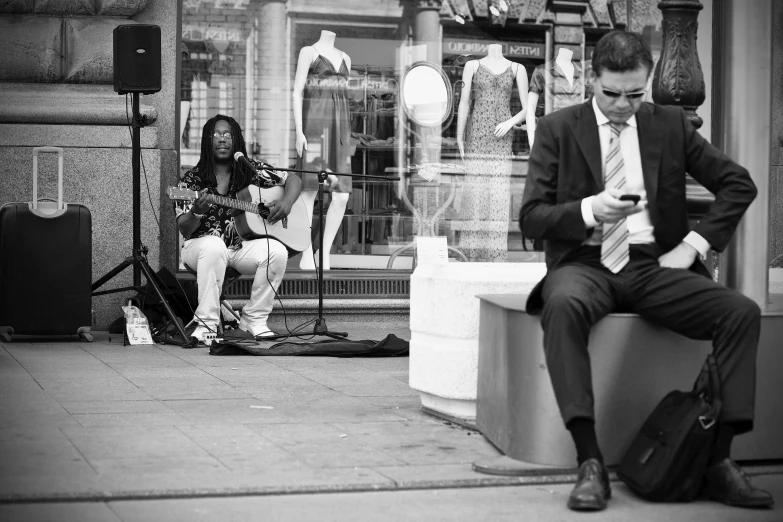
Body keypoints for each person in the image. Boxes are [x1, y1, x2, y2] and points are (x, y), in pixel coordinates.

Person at [519, 31, 774, 512]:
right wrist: (591, 209)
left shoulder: (669, 125)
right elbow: (531, 217)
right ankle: (589, 460)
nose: (622, 105)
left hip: (653, 265)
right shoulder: (557, 129)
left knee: (740, 311)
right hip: (585, 263)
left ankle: (718, 460)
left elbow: (738, 184)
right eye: (611, 93)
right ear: (591, 81)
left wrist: (694, 246)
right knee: (564, 303)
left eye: (635, 94)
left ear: (647, 84)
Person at [174, 114, 302, 343]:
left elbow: (293, 179)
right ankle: (207, 324)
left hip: (239, 247)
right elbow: (184, 228)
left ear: (236, 141)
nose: (222, 139)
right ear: (206, 140)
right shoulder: (191, 181)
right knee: (214, 245)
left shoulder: (250, 172)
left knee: (277, 251)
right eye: (216, 134)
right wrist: (196, 212)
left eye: (228, 134)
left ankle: (253, 320)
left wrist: (286, 203)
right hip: (201, 249)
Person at [455, 43, 527, 262]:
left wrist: (511, 121)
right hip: (477, 131)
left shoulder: (517, 68)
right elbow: (464, 103)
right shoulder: (472, 66)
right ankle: (470, 254)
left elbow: (527, 109)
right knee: (475, 192)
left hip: (502, 134)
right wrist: (459, 136)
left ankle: (495, 255)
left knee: (498, 193)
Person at [292, 29, 352, 271]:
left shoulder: (346, 58)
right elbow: (297, 90)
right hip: (315, 126)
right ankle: (306, 252)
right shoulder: (309, 52)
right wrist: (298, 130)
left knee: (342, 195)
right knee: (309, 191)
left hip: (341, 129)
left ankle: (323, 251)